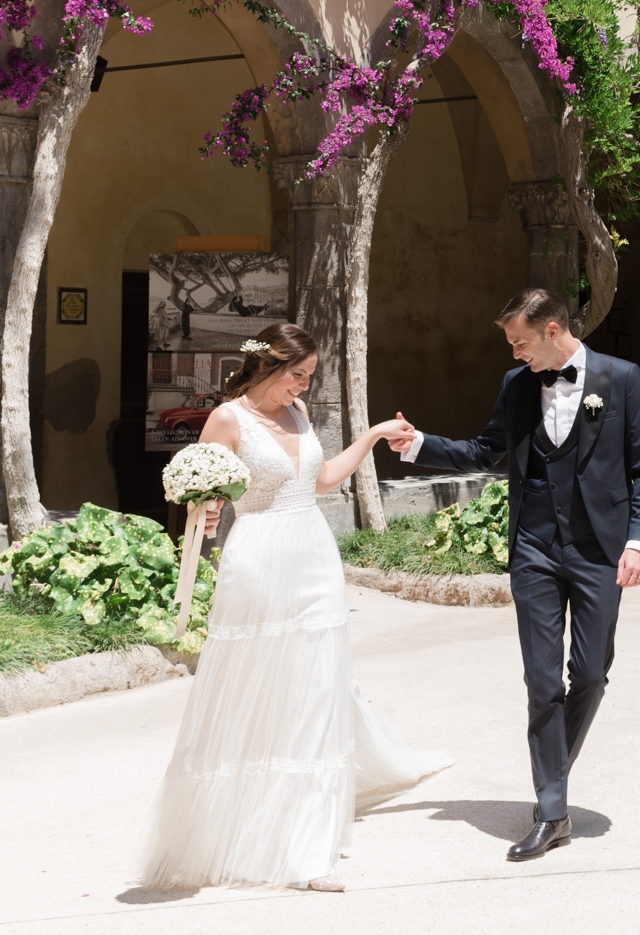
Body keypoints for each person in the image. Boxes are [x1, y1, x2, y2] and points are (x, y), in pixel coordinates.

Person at [140, 322, 450, 892]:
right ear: (269, 366)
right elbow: (206, 496)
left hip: (313, 557)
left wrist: (375, 435)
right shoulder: (228, 419)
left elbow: (321, 480)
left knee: (313, 689)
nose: (303, 388)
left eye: (309, 378)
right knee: (258, 686)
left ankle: (308, 840)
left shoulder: (301, 416)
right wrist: (205, 513)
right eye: (297, 376)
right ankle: (257, 831)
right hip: (258, 560)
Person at [380, 287, 640, 862]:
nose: (514, 354)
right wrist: (420, 445)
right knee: (541, 681)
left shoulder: (622, 379)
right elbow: (485, 450)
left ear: (553, 330)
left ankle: (552, 766)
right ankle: (552, 810)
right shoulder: (516, 387)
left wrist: (638, 542)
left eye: (521, 342)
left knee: (590, 674)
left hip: (598, 551)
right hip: (533, 548)